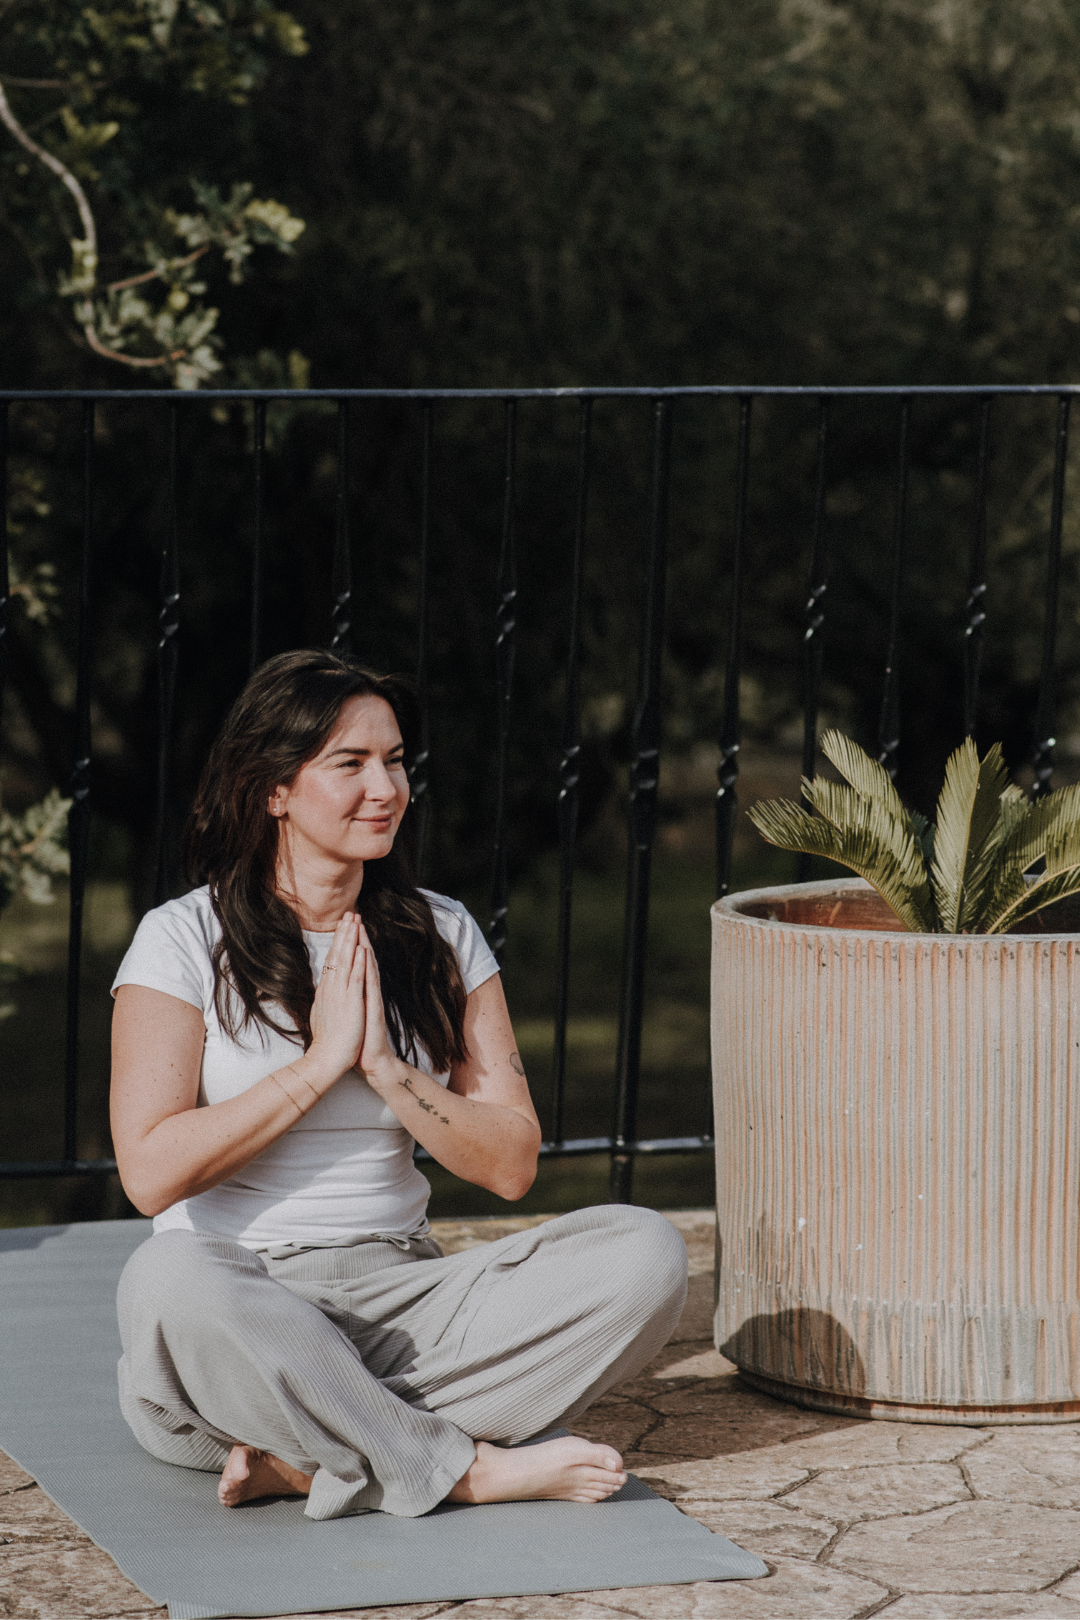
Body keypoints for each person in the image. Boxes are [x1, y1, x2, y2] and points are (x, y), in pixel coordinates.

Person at [110, 649, 688, 1520]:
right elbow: (150, 1174)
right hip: (242, 1302)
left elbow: (512, 1163)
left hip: (406, 1305)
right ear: (274, 788)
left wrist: (384, 1066)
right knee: (163, 1282)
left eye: (395, 761)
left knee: (647, 1256)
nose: (385, 787)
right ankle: (459, 1468)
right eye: (350, 764)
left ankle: (316, 1453)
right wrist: (318, 1065)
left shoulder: (442, 934)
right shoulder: (183, 939)